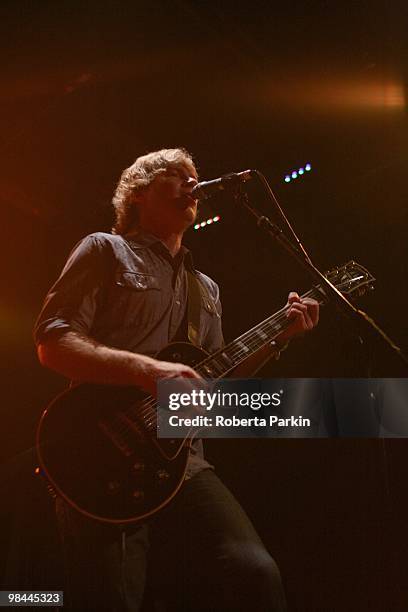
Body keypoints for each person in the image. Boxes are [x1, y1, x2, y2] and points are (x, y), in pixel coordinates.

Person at [34, 148, 319, 611]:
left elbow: (214, 380)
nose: (193, 183)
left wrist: (277, 338)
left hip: (183, 460)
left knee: (255, 572)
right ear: (140, 193)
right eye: (178, 175)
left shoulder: (205, 287)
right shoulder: (105, 249)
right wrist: (149, 371)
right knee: (112, 597)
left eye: (196, 177)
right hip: (101, 451)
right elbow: (53, 340)